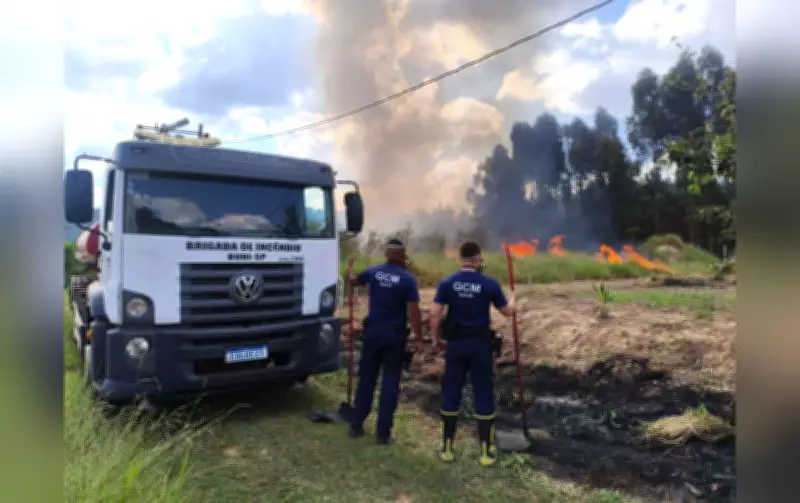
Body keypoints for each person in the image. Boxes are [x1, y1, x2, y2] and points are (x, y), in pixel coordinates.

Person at [429, 240, 516, 466]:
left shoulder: (447, 282)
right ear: (478, 259)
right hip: (480, 347)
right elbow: (508, 313)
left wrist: (435, 338)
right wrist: (513, 298)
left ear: (461, 259)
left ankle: (447, 448)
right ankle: (486, 452)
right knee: (483, 394)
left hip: (456, 346)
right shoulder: (489, 284)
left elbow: (435, 313)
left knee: (451, 393)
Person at [347, 238, 423, 444]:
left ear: (387, 254)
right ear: (402, 256)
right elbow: (414, 312)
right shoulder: (407, 279)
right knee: (390, 381)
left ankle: (356, 425)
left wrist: (351, 275)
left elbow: (355, 281)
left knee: (367, 378)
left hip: (372, 334)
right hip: (394, 336)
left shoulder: (374, 272)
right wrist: (419, 337)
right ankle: (382, 433)